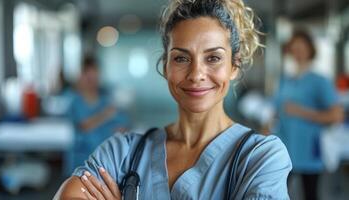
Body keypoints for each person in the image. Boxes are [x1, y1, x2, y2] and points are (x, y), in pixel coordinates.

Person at [54, 0, 292, 199]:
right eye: (181, 58)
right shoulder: (122, 153)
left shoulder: (260, 157)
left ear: (234, 66)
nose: (196, 74)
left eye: (213, 58)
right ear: (165, 66)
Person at [273, 30, 344, 200]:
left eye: (301, 47)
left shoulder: (320, 81)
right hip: (284, 149)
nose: (297, 51)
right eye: (294, 47)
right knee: (275, 194)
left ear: (310, 50)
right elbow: (277, 111)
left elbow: (336, 116)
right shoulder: (285, 79)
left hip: (308, 151)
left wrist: (301, 112)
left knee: (310, 194)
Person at [66, 56, 129, 174]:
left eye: (94, 76)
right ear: (81, 77)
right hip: (81, 162)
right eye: (88, 76)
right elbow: (84, 125)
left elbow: (122, 126)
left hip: (105, 163)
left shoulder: (107, 101)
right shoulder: (75, 102)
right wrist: (106, 114)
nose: (91, 80)